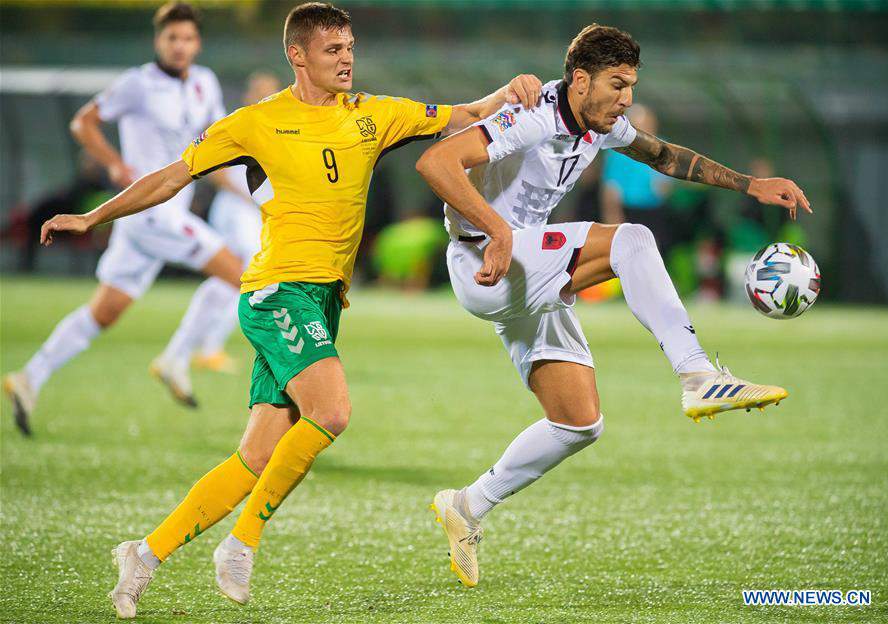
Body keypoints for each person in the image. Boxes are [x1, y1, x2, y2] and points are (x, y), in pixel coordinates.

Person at [39, 3, 542, 618]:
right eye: (332, 50)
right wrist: (93, 216)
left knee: (255, 457)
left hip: (324, 299)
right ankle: (241, 543)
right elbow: (172, 177)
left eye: (350, 47)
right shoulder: (257, 122)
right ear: (297, 55)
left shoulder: (374, 116)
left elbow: (462, 115)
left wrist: (507, 92)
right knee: (331, 412)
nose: (347, 59)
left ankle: (144, 554)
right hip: (278, 290)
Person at [415, 24, 811, 588]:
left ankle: (467, 506)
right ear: (579, 80)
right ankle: (697, 374)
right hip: (486, 260)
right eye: (617, 84)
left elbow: (668, 157)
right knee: (632, 240)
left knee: (578, 423)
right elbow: (435, 163)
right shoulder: (533, 113)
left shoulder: (601, 125)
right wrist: (499, 231)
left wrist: (751, 184)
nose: (626, 99)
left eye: (631, 86)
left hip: (522, 264)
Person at [3, 1, 245, 430]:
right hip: (151, 214)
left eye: (187, 38)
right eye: (172, 37)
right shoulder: (138, 83)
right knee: (242, 274)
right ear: (159, 40)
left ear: (197, 42)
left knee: (105, 311)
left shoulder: (205, 84)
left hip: (153, 220)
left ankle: (29, 377)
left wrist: (250, 196)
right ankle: (176, 360)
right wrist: (113, 162)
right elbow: (83, 123)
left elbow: (216, 158)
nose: (180, 46)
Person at [188, 71, 282, 374]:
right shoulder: (236, 124)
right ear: (248, 94)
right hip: (235, 210)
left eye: (272, 92)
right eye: (261, 91)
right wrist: (243, 196)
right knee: (254, 277)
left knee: (228, 279)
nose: (266, 97)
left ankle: (194, 347)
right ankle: (211, 347)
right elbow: (209, 167)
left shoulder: (274, 128)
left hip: (248, 212)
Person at [601, 103, 674, 256]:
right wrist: (614, 220)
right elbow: (611, 188)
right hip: (628, 211)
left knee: (653, 255)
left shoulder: (663, 147)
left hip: (654, 212)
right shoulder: (618, 150)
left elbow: (664, 188)